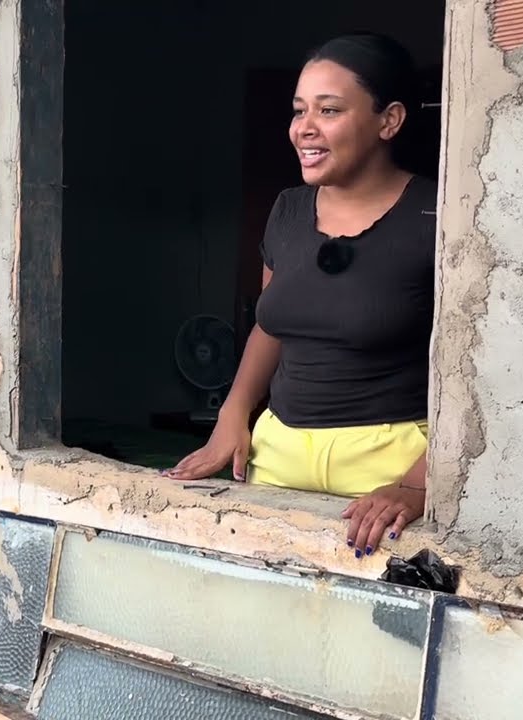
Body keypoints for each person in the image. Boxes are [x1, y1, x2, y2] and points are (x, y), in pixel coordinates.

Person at [166, 33, 437, 559]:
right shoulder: (289, 209)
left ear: (390, 120)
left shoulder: (438, 215)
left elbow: (476, 369)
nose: (303, 128)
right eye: (298, 110)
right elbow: (272, 326)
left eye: (329, 110)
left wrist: (419, 484)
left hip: (390, 461)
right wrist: (233, 416)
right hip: (278, 451)